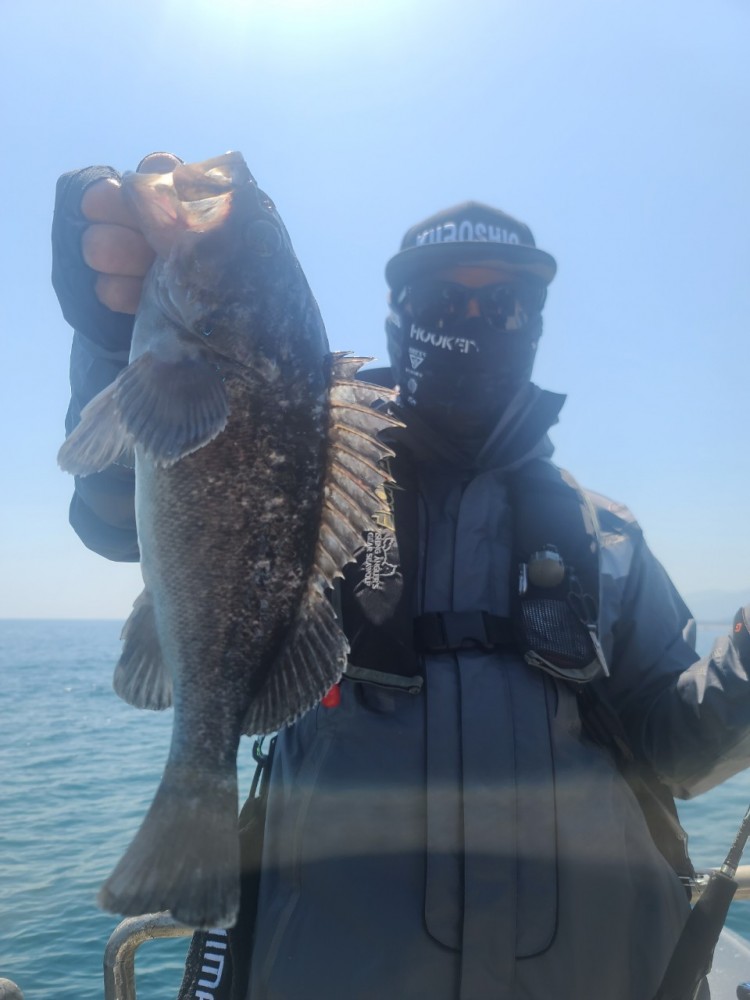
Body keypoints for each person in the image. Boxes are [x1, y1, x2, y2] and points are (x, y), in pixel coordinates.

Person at [52, 153, 750, 1000]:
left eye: (504, 303)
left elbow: (676, 754)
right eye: (440, 300)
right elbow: (120, 513)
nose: (472, 318)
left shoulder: (609, 536)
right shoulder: (314, 470)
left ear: (533, 324)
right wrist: (110, 344)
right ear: (397, 317)